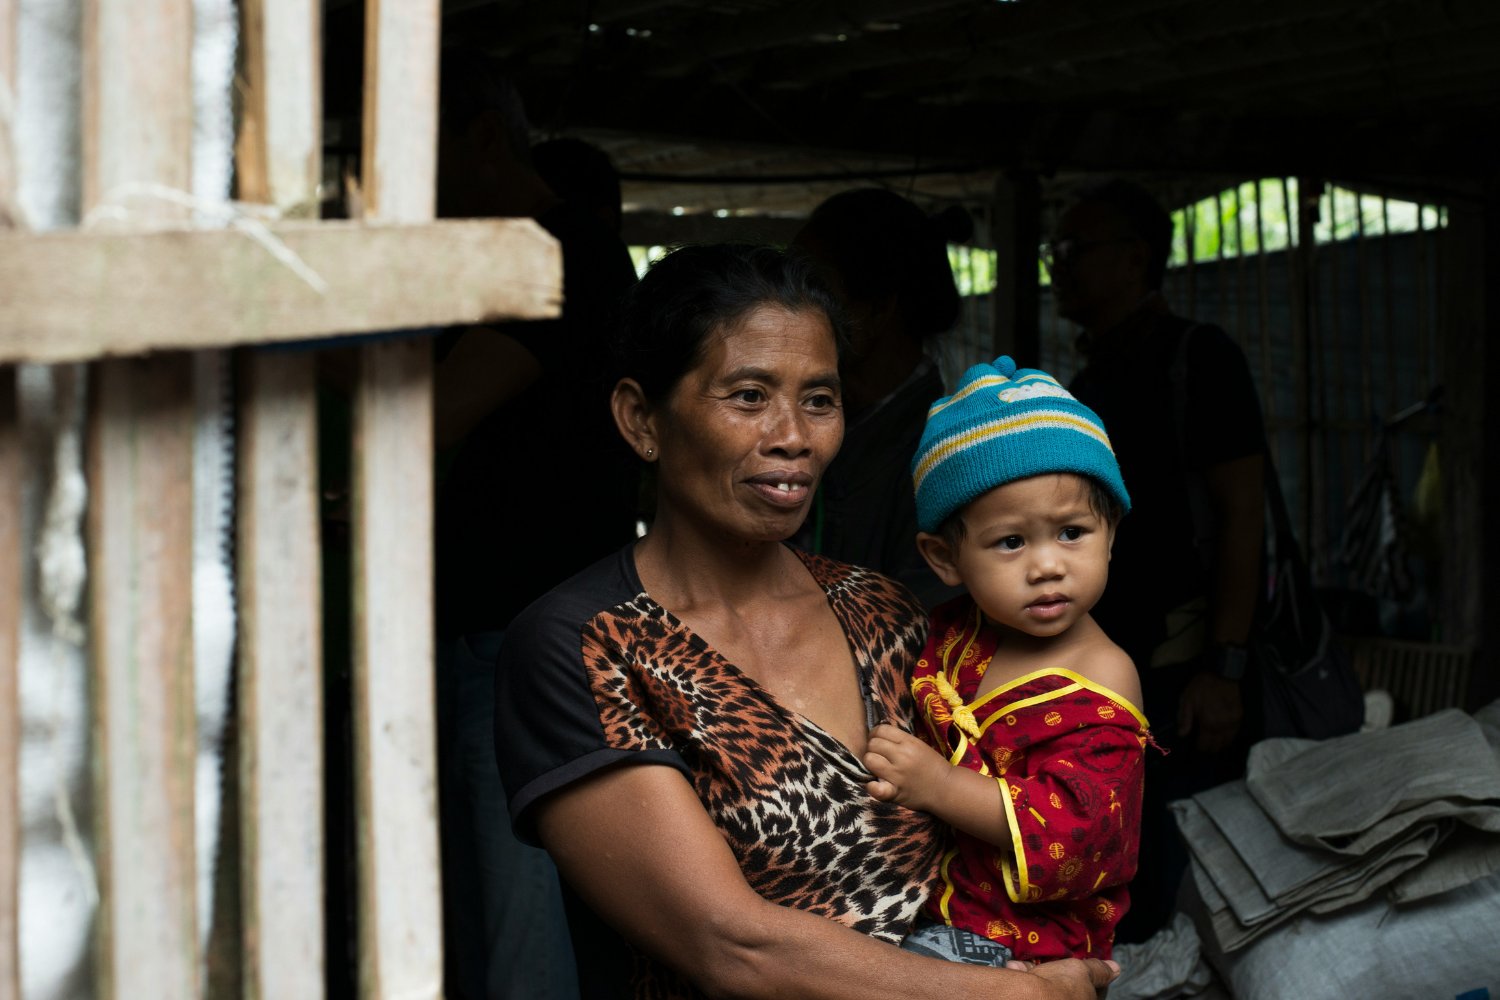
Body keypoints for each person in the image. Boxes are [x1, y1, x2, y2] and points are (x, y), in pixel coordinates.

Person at [493, 242, 1120, 1000]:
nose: (794, 435)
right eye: (749, 395)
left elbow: (1042, 794)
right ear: (639, 419)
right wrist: (1025, 995)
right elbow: (730, 944)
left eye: (819, 399)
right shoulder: (584, 645)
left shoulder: (885, 612)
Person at [431, 47, 641, 1000]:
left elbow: (429, 422)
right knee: (483, 919)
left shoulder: (557, 254)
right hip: (491, 636)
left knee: (520, 928)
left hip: (523, 643)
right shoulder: (503, 262)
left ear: (478, 139)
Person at [862, 355, 1151, 966]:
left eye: (1072, 532)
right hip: (931, 907)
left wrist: (939, 786)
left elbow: (1082, 829)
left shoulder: (1102, 676)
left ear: (1113, 532)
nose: (1046, 565)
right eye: (1011, 542)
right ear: (945, 560)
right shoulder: (956, 633)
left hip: (1028, 948)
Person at [1053, 176, 1269, 944]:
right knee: (1126, 883)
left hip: (1189, 675)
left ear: (1136, 258)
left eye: (1075, 249)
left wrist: (1227, 666)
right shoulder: (1088, 380)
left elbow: (1246, 514)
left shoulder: (1196, 357)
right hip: (1120, 671)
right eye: (1054, 249)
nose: (1057, 264)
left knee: (1189, 887)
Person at [789, 187, 971, 611]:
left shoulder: (943, 464)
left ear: (874, 309)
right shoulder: (835, 430)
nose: (789, 310)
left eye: (814, 291)